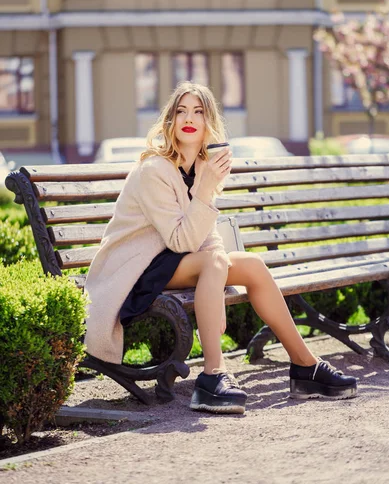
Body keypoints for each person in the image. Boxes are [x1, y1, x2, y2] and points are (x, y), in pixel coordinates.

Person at [84, 81, 357, 414]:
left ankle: (305, 366)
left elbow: (206, 237)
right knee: (214, 261)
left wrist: (215, 282)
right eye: (181, 111)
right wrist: (208, 190)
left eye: (198, 112)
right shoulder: (153, 171)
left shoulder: (200, 168)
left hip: (171, 262)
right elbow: (182, 240)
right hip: (132, 272)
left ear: (207, 123)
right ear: (170, 122)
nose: (189, 118)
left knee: (251, 266)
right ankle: (213, 375)